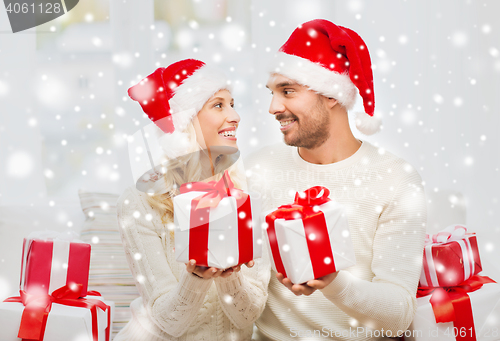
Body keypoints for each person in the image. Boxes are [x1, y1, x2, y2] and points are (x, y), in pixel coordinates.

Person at [245, 20, 427, 340]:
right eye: (272, 93)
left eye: (288, 91)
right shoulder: (257, 169)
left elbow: (399, 314)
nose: (274, 107)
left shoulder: (395, 179)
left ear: (331, 96)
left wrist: (333, 281)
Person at [115, 59, 270, 340]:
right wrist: (196, 278)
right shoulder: (139, 203)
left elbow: (249, 314)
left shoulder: (249, 193)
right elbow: (169, 322)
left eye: (232, 103)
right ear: (184, 124)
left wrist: (229, 273)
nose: (235, 116)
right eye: (218, 105)